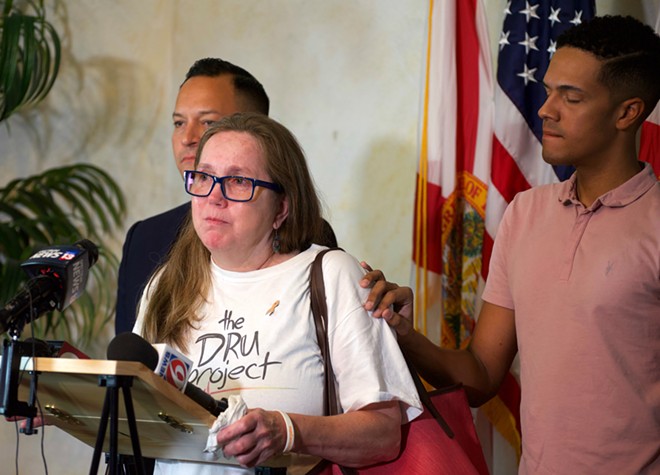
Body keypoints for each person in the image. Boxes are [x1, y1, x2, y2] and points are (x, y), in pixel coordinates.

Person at [363, 15, 660, 475]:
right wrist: (404, 335)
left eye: (571, 97)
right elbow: (481, 374)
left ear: (627, 113)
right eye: (548, 90)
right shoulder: (524, 213)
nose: (545, 110)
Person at [133, 113, 422, 474]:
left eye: (237, 181)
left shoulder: (330, 274)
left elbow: (383, 434)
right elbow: (134, 413)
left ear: (281, 208)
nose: (214, 197)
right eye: (204, 177)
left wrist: (288, 431)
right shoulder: (167, 284)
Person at [116, 58, 337, 335]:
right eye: (178, 122)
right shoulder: (145, 238)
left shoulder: (311, 245)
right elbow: (129, 363)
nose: (188, 137)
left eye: (208, 121)